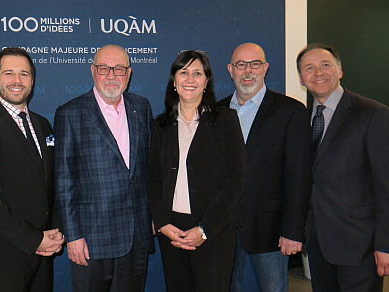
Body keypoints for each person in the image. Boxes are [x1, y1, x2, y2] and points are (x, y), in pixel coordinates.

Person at [54, 44, 154, 291]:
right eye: (103, 68)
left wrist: (152, 216)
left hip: (136, 234)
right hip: (91, 238)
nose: (111, 75)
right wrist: (73, 236)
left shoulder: (141, 107)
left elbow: (149, 170)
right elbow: (64, 181)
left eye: (119, 68)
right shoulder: (70, 113)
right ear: (92, 71)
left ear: (129, 73)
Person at [0, 47, 64, 292]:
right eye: (9, 73)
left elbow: (52, 183)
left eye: (24, 74)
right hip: (6, 253)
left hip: (44, 250)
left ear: (33, 79)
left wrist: (53, 234)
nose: (17, 81)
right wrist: (35, 240)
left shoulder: (42, 124)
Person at [148, 50, 246, 292]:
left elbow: (236, 179)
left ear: (206, 82)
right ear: (174, 82)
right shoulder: (159, 125)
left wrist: (205, 229)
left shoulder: (226, 120)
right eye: (183, 73)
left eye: (197, 73)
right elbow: (151, 179)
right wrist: (162, 224)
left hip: (214, 228)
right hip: (172, 229)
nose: (190, 79)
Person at [218, 43, 311, 291]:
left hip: (271, 228)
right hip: (223, 226)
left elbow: (299, 176)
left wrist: (293, 231)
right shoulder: (216, 111)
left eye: (255, 64)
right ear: (230, 70)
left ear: (265, 68)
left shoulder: (290, 111)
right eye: (240, 65)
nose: (248, 71)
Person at [297, 43, 389, 291]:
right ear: (301, 79)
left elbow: (386, 185)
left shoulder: (373, 114)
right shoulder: (301, 119)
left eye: (325, 65)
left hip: (360, 246)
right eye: (309, 68)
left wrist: (385, 245)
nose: (318, 73)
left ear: (340, 70)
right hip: (317, 244)